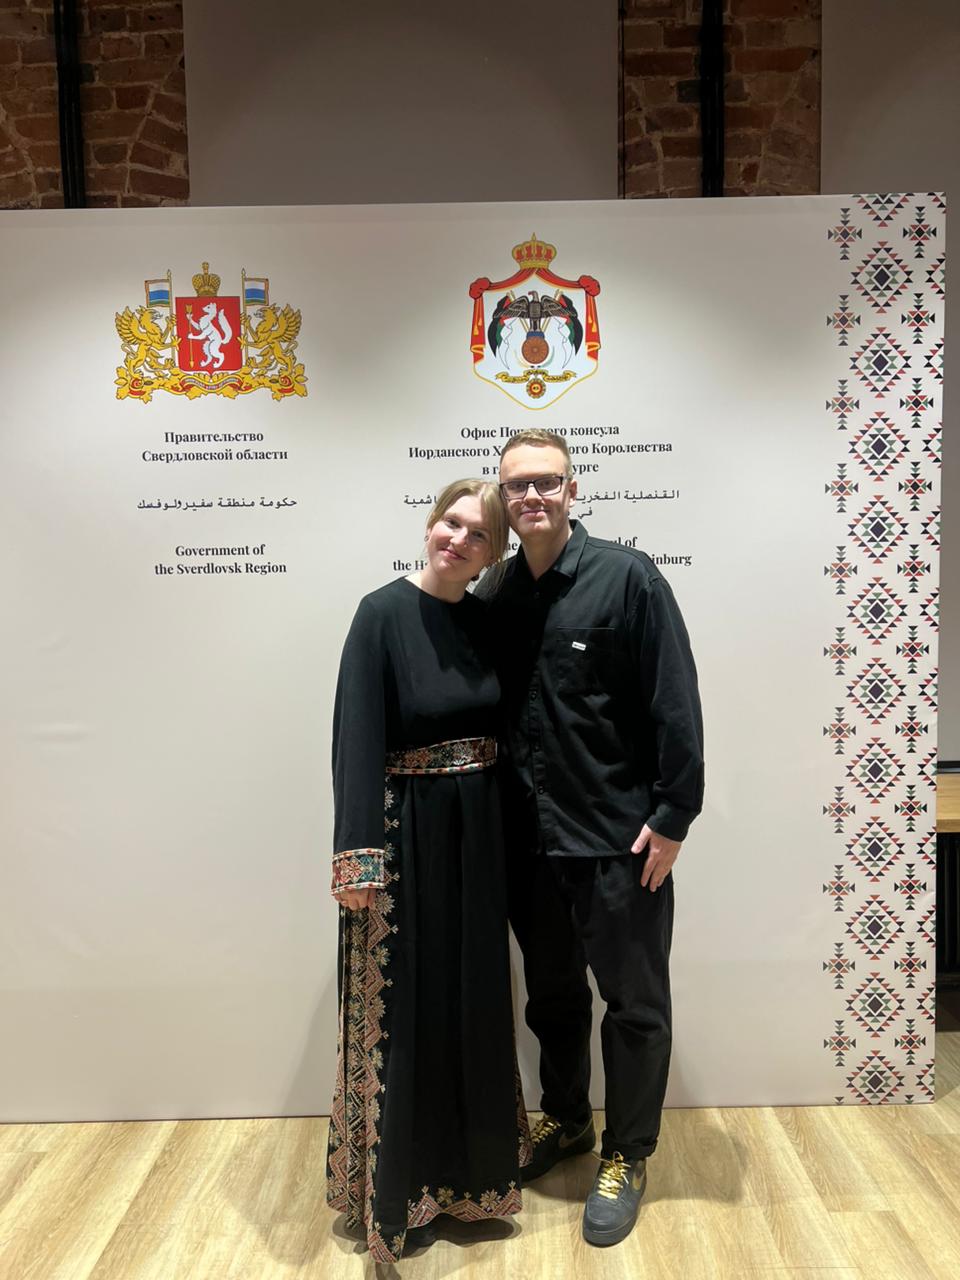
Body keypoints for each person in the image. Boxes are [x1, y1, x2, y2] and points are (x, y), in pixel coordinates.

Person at [481, 429, 704, 1247]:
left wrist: (674, 818)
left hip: (619, 843)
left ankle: (626, 1155)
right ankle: (568, 1118)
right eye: (517, 485)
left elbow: (674, 701)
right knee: (552, 998)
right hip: (529, 845)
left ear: (573, 489)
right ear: (503, 498)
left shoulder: (629, 578)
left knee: (635, 1007)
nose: (532, 496)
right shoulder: (498, 591)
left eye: (547, 481)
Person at [326, 478, 530, 1264]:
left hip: (478, 839)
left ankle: (471, 1186)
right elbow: (355, 740)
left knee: (471, 1000)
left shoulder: (484, 622)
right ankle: (394, 1195)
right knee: (403, 1010)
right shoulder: (379, 614)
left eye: (479, 536)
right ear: (430, 521)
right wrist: (357, 857)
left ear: (493, 554)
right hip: (402, 838)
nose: (459, 541)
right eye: (452, 523)